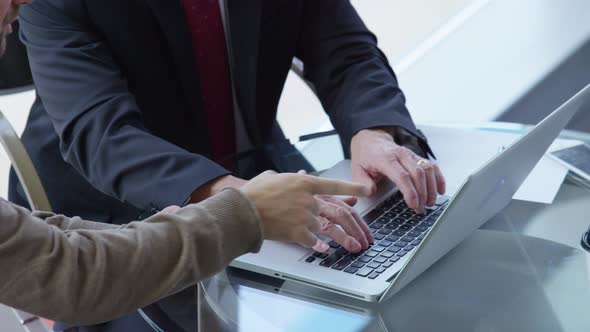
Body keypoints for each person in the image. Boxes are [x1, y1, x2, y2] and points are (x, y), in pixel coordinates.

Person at [14, 0, 447, 330]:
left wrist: (372, 130)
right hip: (114, 210)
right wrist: (244, 204)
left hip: (254, 160)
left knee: (397, 280)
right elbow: (102, 135)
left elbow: (342, 47)